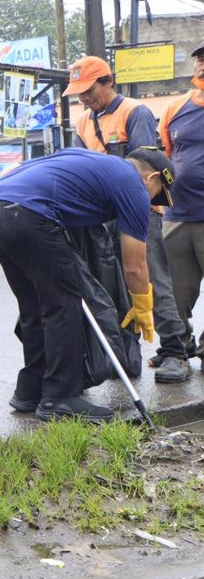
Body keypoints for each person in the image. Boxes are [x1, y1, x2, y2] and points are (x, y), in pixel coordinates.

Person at [0, 148, 170, 421]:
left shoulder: (91, 162)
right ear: (152, 178)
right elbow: (135, 265)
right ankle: (60, 396)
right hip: (29, 215)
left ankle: (31, 390)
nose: (152, 203)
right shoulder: (133, 186)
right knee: (65, 303)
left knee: (35, 304)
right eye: (157, 194)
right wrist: (142, 304)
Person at [67, 55, 190, 383]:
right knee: (112, 285)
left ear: (109, 82)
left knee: (152, 280)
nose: (84, 98)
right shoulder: (82, 122)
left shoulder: (134, 112)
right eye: (79, 93)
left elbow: (142, 168)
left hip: (139, 210)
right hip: (102, 214)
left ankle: (174, 351)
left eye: (89, 89)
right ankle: (124, 352)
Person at [160, 42, 204, 366]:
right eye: (200, 60)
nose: (202, 65)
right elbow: (164, 156)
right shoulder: (176, 109)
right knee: (176, 290)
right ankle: (180, 346)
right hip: (177, 215)